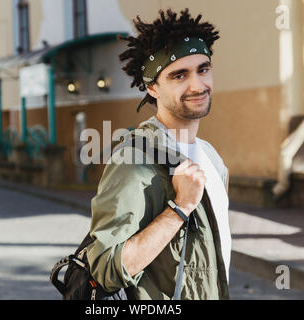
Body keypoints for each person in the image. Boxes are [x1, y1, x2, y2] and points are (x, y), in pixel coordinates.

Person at [86, 8, 231, 300]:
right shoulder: (132, 160)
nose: (197, 85)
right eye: (180, 75)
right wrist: (180, 207)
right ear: (153, 87)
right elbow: (104, 269)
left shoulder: (211, 157)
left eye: (203, 69)